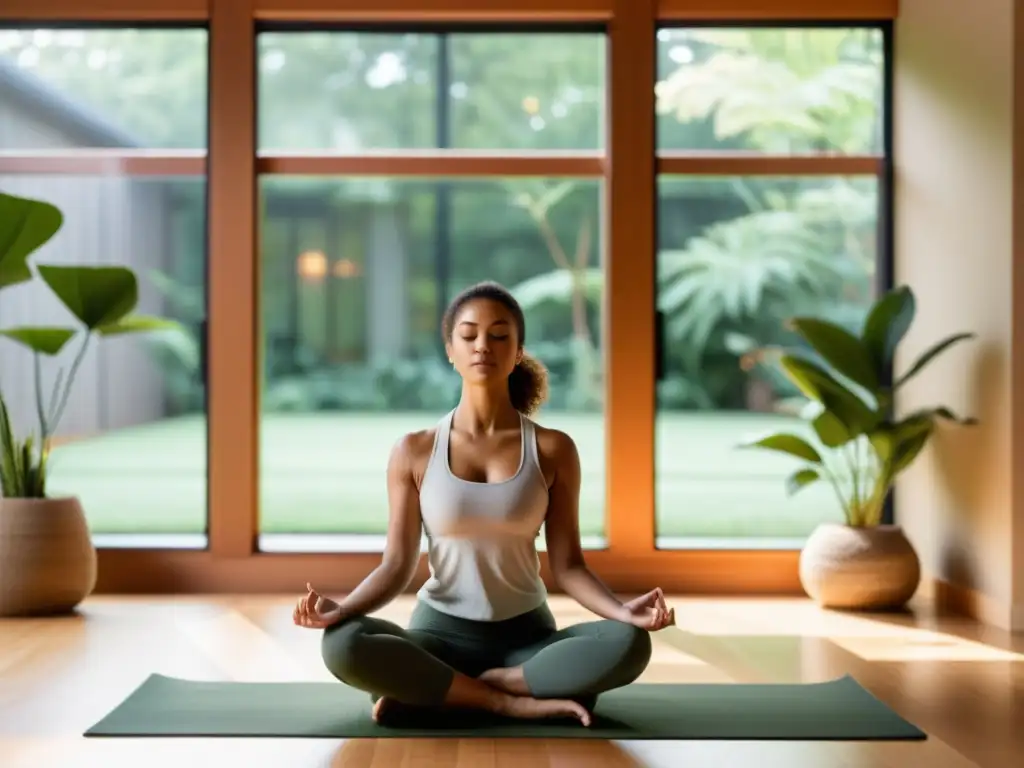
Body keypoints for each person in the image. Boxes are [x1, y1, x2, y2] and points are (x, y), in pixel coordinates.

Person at [293, 281, 675, 728]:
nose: (482, 346)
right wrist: (341, 610)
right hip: (438, 635)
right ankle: (505, 700)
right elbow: (396, 566)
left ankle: (446, 690)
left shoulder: (553, 450)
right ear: (450, 350)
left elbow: (569, 565)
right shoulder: (414, 450)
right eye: (469, 334)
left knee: (629, 643)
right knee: (343, 644)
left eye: (499, 335)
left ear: (517, 352)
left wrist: (624, 612)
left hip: (527, 640)